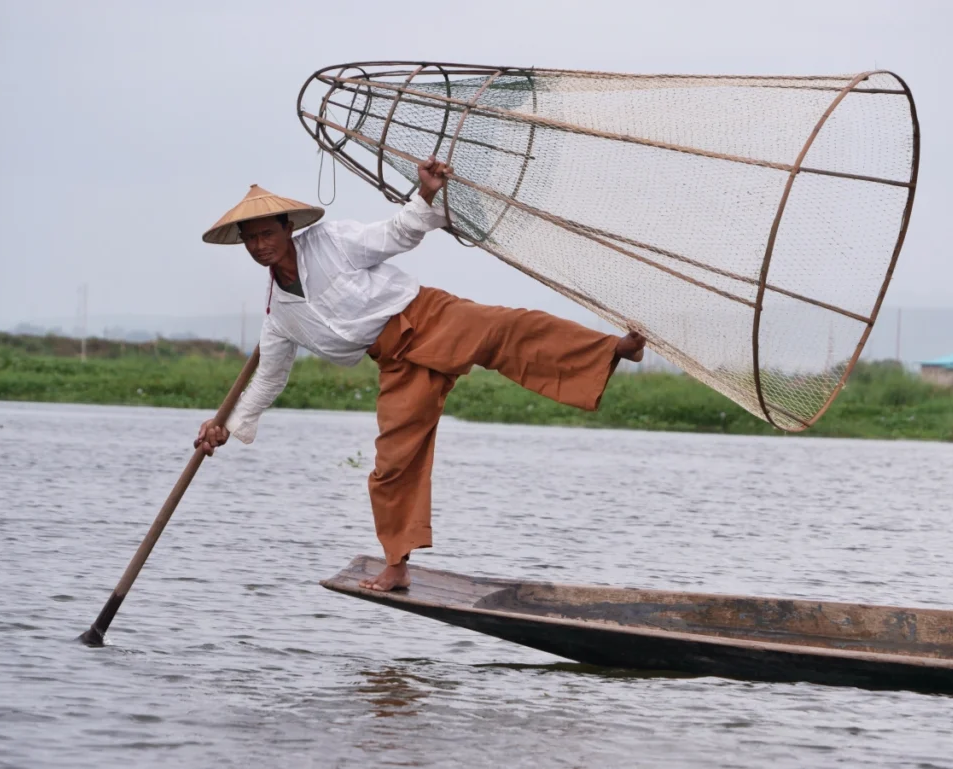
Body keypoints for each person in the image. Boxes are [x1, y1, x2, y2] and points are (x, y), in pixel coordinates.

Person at [196, 156, 646, 591]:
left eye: (265, 234)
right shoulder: (279, 314)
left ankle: (613, 350)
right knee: (392, 466)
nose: (260, 246)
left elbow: (395, 234)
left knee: (509, 329)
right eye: (250, 239)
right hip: (396, 362)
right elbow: (269, 379)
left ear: (287, 227)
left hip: (426, 316)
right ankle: (397, 567)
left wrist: (425, 192)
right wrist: (227, 425)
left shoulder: (332, 241)